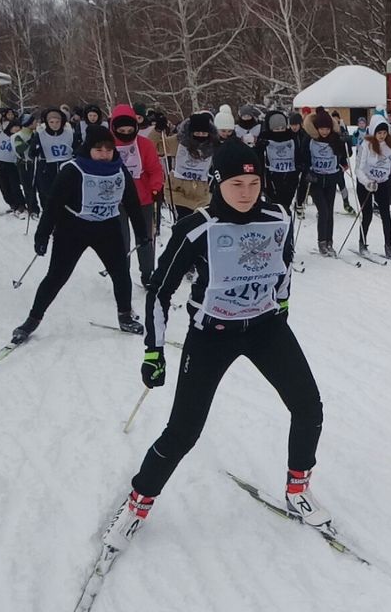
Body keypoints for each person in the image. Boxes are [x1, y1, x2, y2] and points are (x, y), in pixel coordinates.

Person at [101, 140, 326, 552]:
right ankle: (137, 504)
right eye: (237, 183)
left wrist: (283, 307)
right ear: (218, 183)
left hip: (265, 328)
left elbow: (285, 265)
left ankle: (298, 489)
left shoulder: (278, 217)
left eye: (254, 182)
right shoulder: (197, 228)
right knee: (184, 431)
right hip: (212, 335)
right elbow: (158, 292)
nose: (247, 192)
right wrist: (154, 350)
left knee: (309, 406)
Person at [10, 126, 149, 343]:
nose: (104, 154)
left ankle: (125, 316)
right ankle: (32, 319)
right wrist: (42, 235)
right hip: (73, 228)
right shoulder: (73, 170)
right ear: (88, 149)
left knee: (121, 274)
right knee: (57, 276)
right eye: (98, 149)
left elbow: (132, 203)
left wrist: (141, 232)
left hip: (107, 228)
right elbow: (54, 204)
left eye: (108, 150)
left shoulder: (119, 170)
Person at [111, 104, 164, 286]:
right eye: (121, 130)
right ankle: (121, 274)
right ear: (114, 128)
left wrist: (156, 186)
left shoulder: (144, 144)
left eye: (130, 129)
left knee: (145, 239)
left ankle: (147, 274)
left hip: (142, 199)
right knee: (120, 240)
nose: (126, 133)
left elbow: (155, 170)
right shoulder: (107, 145)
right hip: (116, 201)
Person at [299, 107, 350, 256]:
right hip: (316, 180)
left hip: (331, 179)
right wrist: (307, 172)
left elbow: (344, 155)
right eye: (322, 129)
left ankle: (329, 241)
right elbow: (303, 158)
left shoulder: (334, 139)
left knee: (330, 212)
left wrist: (347, 142)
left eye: (327, 129)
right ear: (317, 128)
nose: (325, 132)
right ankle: (322, 241)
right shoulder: (310, 139)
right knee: (323, 211)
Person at [354, 115, 391, 258]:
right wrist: (367, 182)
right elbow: (358, 169)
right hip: (365, 183)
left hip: (382, 183)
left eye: (384, 133)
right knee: (368, 215)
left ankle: (388, 247)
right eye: (379, 133)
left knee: (386, 214)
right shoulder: (366, 145)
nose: (382, 136)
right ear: (373, 132)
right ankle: (362, 243)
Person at [31, 108, 81, 213]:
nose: (55, 125)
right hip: (47, 168)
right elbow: (32, 152)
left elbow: (77, 148)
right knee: (47, 194)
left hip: (66, 167)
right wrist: (36, 148)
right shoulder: (40, 134)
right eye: (51, 122)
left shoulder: (69, 133)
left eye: (57, 122)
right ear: (47, 123)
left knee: (68, 193)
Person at [168, 112, 216, 220]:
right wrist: (157, 130)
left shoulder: (212, 144)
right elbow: (156, 146)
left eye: (204, 133)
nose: (200, 136)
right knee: (183, 224)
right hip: (181, 193)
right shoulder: (178, 142)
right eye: (197, 133)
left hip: (202, 194)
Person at [260, 110, 300, 210]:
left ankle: (287, 222)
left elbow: (299, 153)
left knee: (286, 205)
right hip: (272, 178)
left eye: (282, 128)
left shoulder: (291, 137)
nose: (280, 131)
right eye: (276, 129)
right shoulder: (265, 138)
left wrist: (300, 165)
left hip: (290, 176)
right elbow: (258, 157)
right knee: (275, 206)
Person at [0, 108, 27, 215]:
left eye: (18, 127)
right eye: (14, 126)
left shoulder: (21, 137)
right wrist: (0, 115)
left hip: (12, 164)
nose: (16, 129)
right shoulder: (2, 134)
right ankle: (12, 204)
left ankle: (21, 204)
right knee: (4, 186)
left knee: (14, 186)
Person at [11, 116, 41, 216]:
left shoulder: (36, 134)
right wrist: (30, 141)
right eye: (34, 121)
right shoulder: (18, 136)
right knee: (29, 188)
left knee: (41, 187)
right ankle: (33, 209)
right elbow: (19, 149)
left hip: (37, 163)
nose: (36, 123)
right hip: (25, 164)